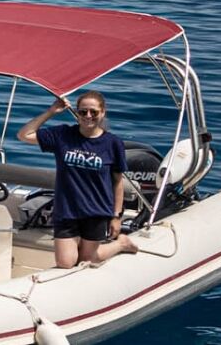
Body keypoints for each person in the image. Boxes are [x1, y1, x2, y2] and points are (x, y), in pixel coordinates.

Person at [19, 91, 139, 268]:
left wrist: (116, 216)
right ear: (77, 113)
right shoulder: (63, 135)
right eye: (83, 112)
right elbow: (24, 135)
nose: (88, 116)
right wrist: (51, 111)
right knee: (65, 262)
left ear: (103, 112)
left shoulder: (113, 143)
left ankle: (121, 243)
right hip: (67, 210)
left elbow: (117, 182)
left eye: (94, 112)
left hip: (96, 211)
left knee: (88, 259)